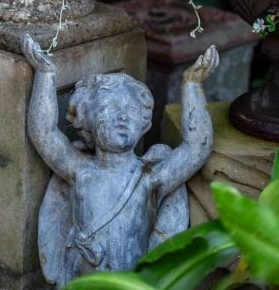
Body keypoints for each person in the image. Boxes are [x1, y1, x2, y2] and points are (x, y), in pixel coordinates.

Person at [21, 33, 219, 288]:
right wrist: (44, 75)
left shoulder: (149, 179)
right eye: (110, 108)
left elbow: (196, 148)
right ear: (86, 121)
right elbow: (44, 134)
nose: (122, 117)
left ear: (143, 123)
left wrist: (191, 85)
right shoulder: (81, 172)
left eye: (131, 110)